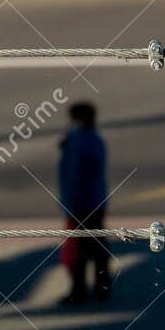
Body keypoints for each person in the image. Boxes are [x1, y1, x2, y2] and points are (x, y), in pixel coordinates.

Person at [57, 101, 111, 306]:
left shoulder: (77, 140)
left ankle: (79, 289)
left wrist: (70, 203)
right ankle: (101, 286)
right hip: (96, 200)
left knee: (79, 249)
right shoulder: (95, 138)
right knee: (98, 247)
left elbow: (75, 175)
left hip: (82, 203)